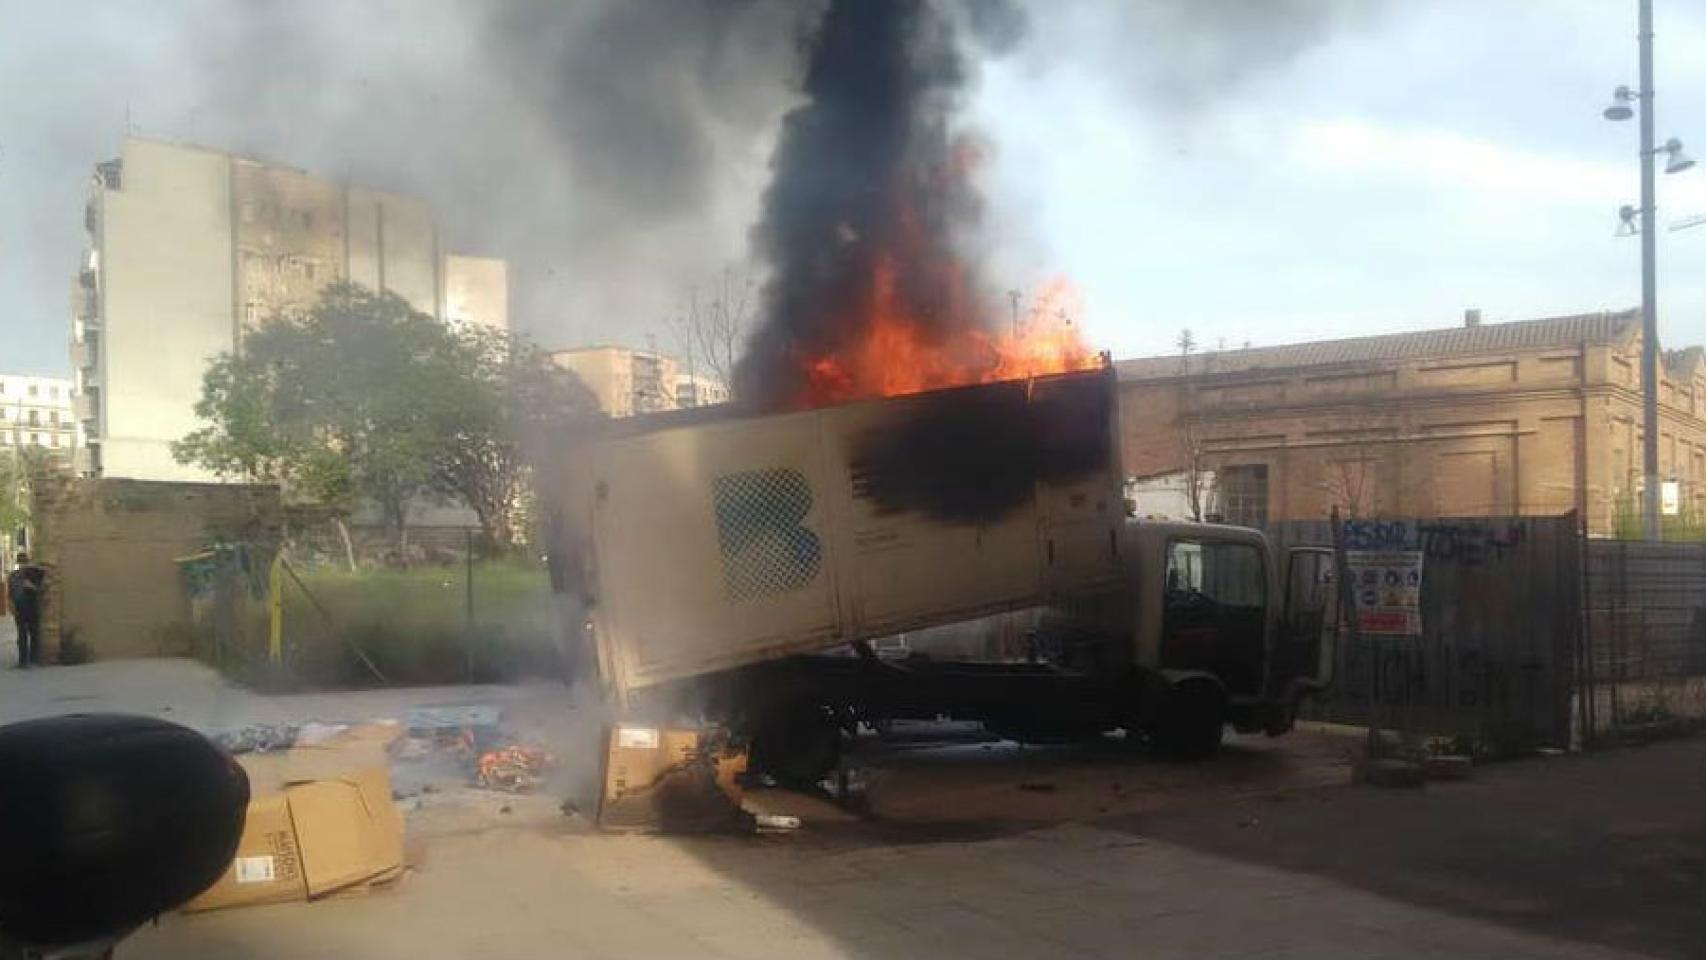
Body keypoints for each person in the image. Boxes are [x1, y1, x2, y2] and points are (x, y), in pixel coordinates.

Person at [7, 553, 45, 668]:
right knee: (22, 635)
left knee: (34, 634)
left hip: (32, 607)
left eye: (24, 562)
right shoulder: (13, 576)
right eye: (21, 562)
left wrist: (32, 586)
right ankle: (23, 660)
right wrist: (11, 605)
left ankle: (33, 659)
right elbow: (10, 593)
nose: (22, 564)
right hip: (20, 608)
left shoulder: (34, 573)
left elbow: (42, 588)